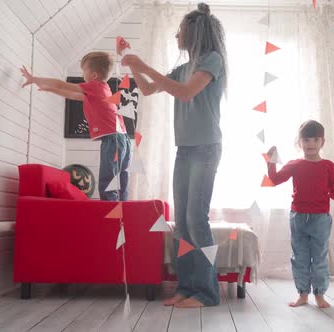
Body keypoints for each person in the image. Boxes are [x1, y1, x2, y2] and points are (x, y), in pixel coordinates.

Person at [121, 2, 227, 308]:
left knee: (197, 219)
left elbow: (185, 92)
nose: (176, 34)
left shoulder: (212, 60)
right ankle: (186, 287)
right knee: (181, 223)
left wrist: (143, 65)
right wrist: (133, 66)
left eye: (180, 30)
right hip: (185, 150)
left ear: (193, 33)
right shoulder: (182, 68)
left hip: (207, 148)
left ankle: (206, 294)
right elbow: (149, 89)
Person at [21, 52, 131, 201]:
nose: (82, 75)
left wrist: (35, 79)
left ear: (93, 75)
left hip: (113, 139)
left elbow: (63, 85)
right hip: (122, 138)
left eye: (83, 71)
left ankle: (110, 214)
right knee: (120, 179)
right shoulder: (102, 89)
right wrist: (49, 89)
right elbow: (73, 95)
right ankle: (123, 210)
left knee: (107, 181)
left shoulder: (94, 86)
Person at [266, 120, 334, 308]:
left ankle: (319, 294)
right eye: (306, 140)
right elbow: (274, 179)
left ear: (322, 142)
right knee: (300, 257)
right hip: (298, 217)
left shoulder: (328, 166)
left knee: (319, 257)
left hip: (320, 218)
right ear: (299, 142)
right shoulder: (295, 164)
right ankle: (303, 294)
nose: (311, 144)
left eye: (315, 139)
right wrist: (270, 161)